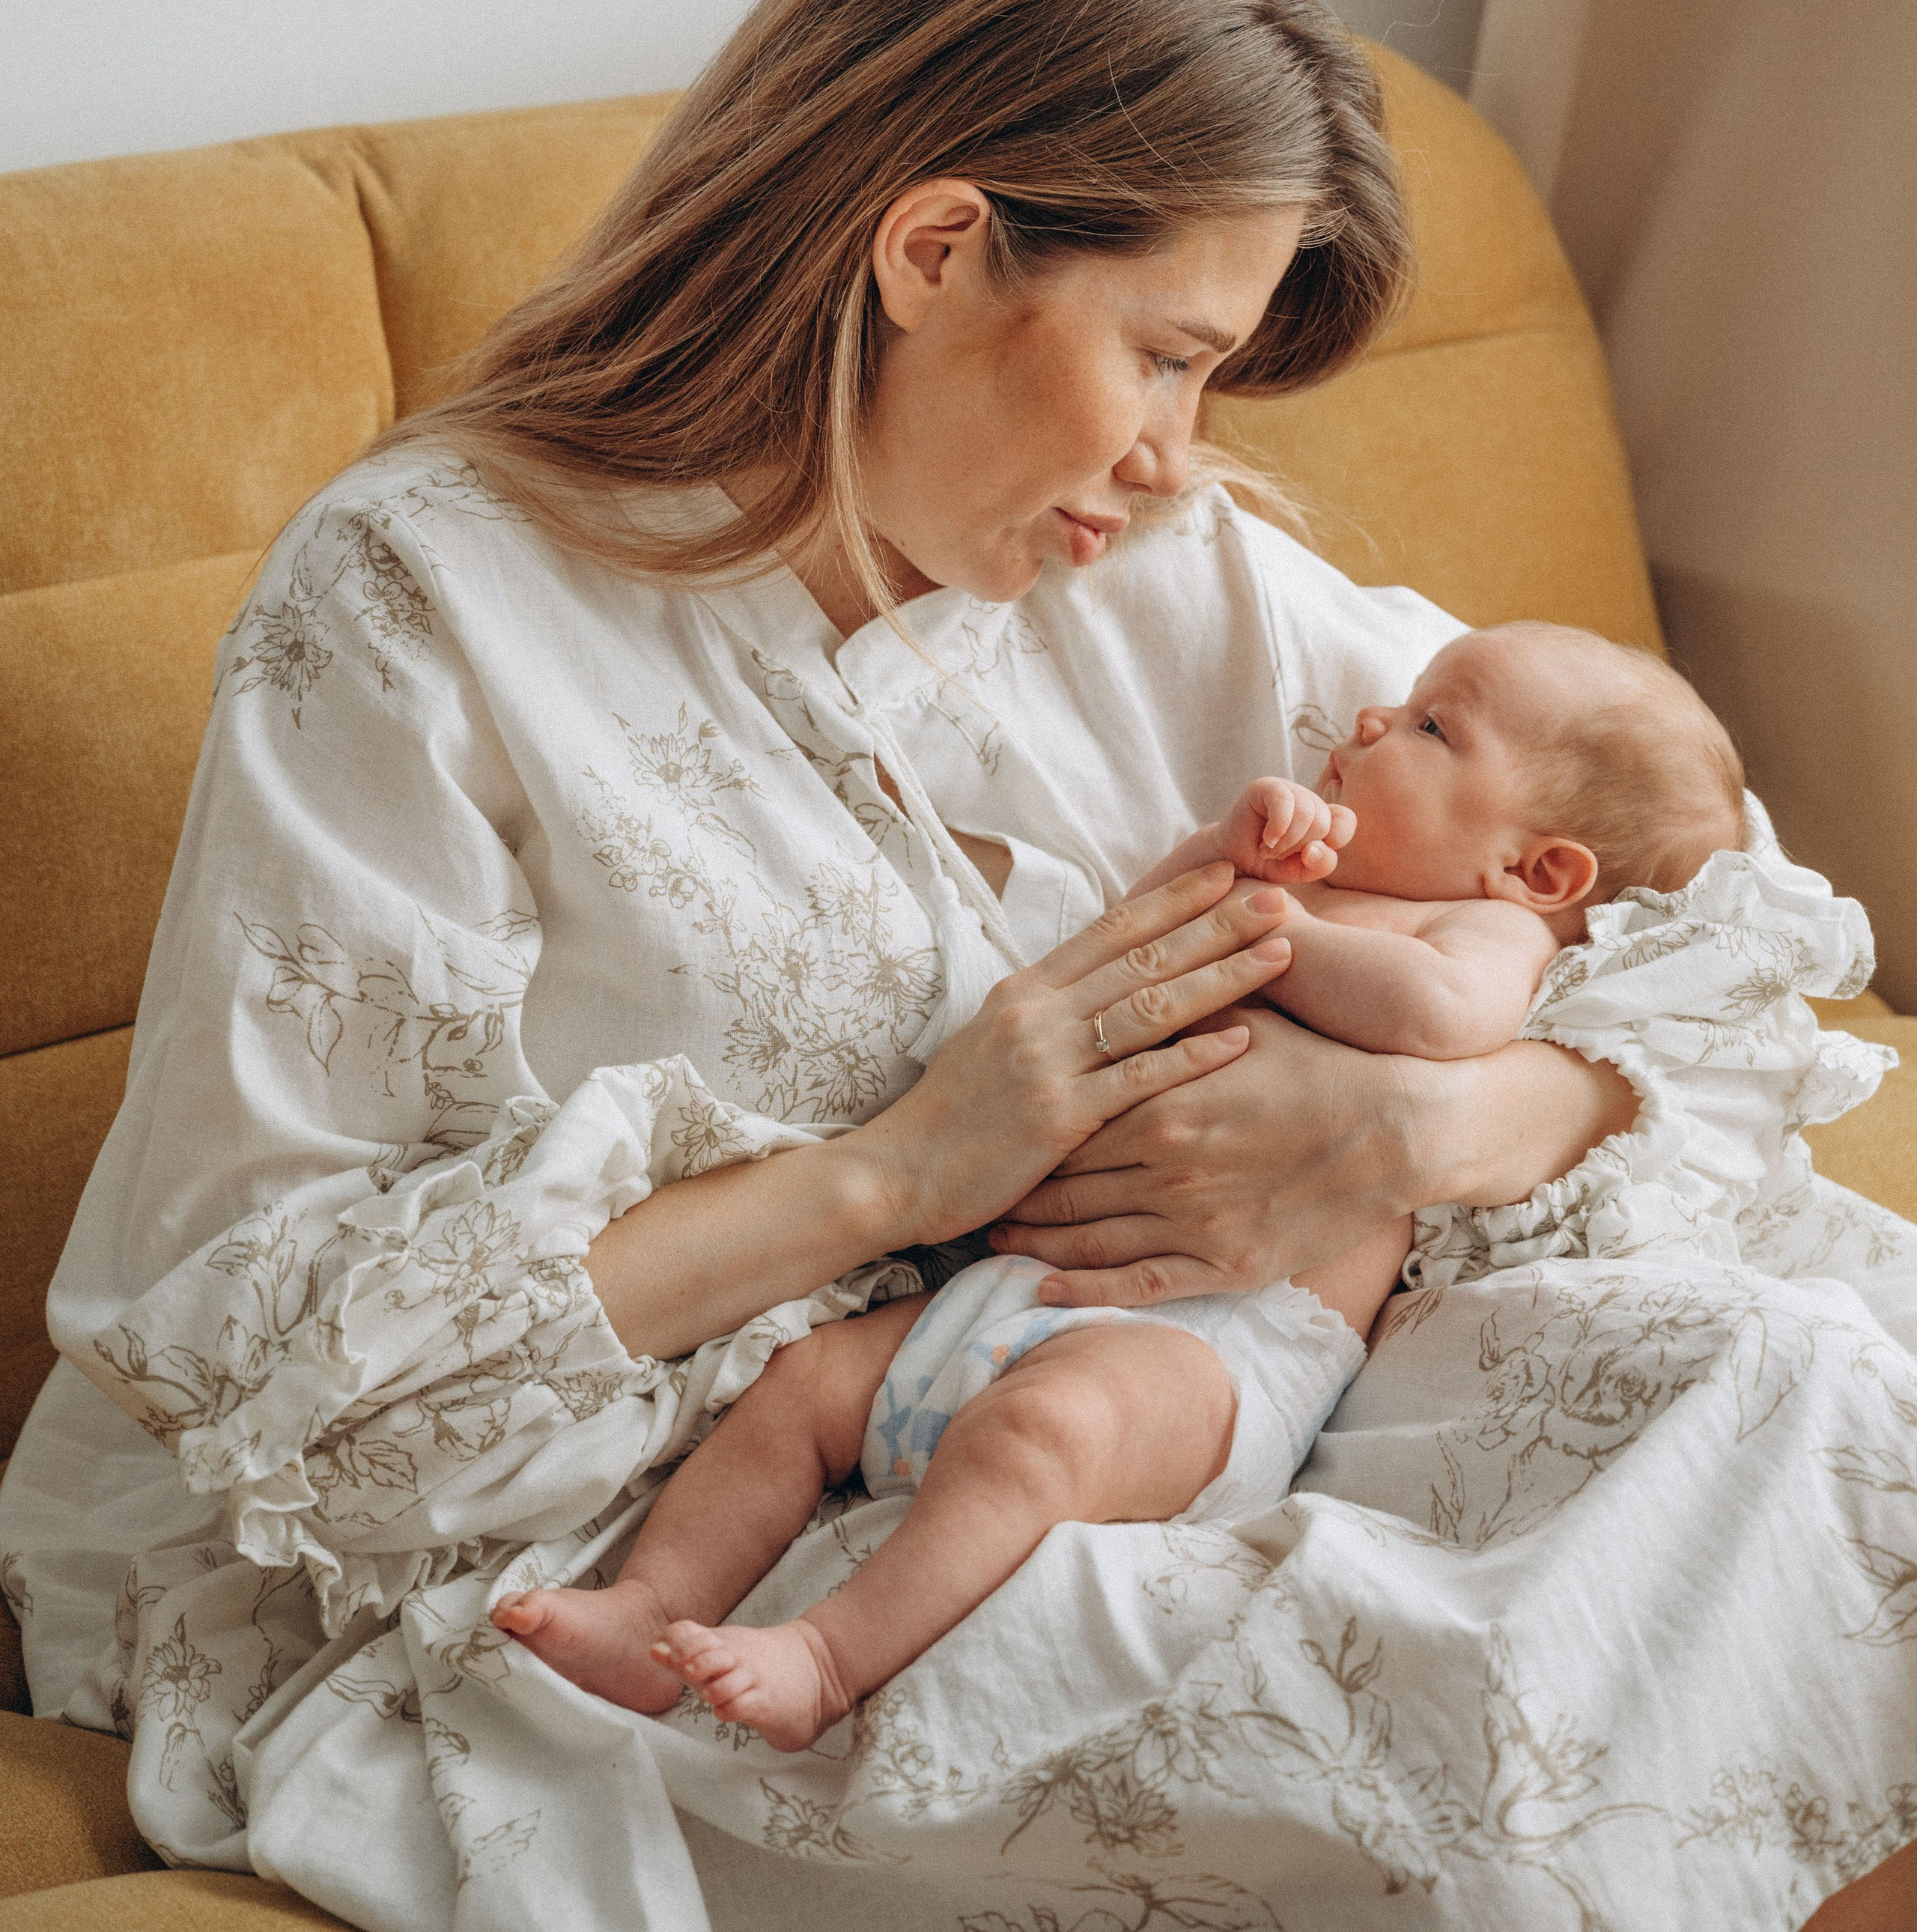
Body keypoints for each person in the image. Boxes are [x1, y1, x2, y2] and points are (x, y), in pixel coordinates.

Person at [4, 0, 1912, 1932]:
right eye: (1165, 353)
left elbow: (1710, 907)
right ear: (932, 248)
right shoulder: (422, 609)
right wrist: (901, 1170)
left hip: (1148, 1385)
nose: (1182, 453)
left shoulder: (1165, 575)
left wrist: (1433, 1117)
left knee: (1821, 1390)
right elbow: (278, 1369)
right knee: (1430, 1722)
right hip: (672, 1521)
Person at [482, 623, 1765, 1752]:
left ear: (1539, 872)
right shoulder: (1308, 884)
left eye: (1433, 727)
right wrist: (1221, 856)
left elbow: (1438, 1023)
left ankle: (826, 1660)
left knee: (1042, 1437)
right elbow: (1129, 943)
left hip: (1221, 1349)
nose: (1370, 721)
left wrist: (1282, 929)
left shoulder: (1481, 937)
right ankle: (652, 1608)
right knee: (800, 1391)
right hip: (1014, 1284)